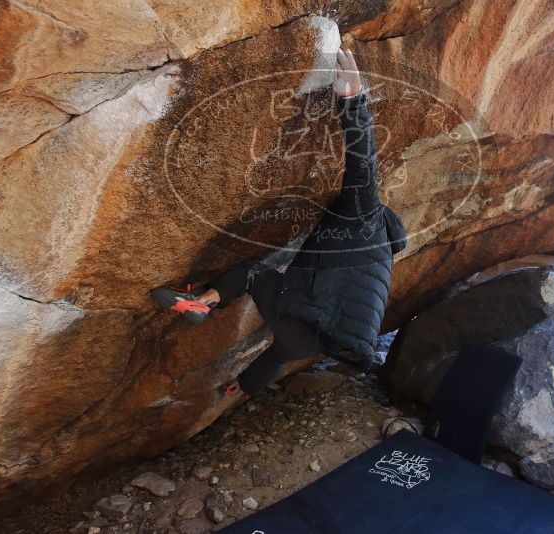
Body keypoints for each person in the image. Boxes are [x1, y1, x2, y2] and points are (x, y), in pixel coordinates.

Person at [151, 48, 407, 398]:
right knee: (284, 350)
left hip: (309, 313)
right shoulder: (382, 260)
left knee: (253, 273)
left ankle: (205, 302)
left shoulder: (365, 212)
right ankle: (240, 388)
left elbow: (364, 165)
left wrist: (353, 100)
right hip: (318, 340)